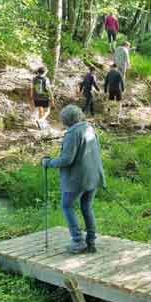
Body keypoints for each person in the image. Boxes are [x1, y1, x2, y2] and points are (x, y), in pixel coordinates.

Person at [42, 105, 106, 254]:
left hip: (78, 179)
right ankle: (90, 242)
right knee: (87, 207)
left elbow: (67, 159)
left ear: (66, 120)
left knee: (67, 206)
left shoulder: (72, 134)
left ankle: (78, 241)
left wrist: (48, 163)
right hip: (93, 176)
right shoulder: (89, 128)